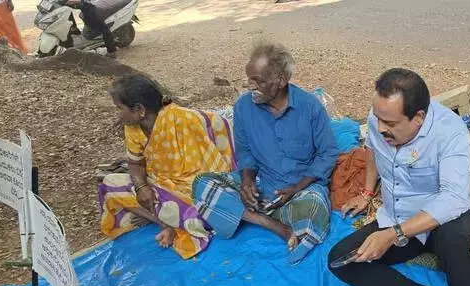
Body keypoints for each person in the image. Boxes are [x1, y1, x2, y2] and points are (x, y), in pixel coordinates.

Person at [331, 68, 470, 286]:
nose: (380, 127)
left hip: (445, 219)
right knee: (341, 260)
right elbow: (372, 150)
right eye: (377, 118)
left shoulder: (450, 131)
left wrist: (393, 235)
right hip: (398, 217)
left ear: (418, 117)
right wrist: (368, 192)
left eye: (390, 123)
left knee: (457, 250)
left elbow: (454, 197)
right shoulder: (378, 121)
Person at [192, 41, 339, 265]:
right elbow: (245, 151)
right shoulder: (242, 107)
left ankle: (245, 214)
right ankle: (274, 225)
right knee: (202, 183)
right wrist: (247, 181)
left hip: (299, 189)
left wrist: (297, 187)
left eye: (257, 80)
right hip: (262, 184)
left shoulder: (310, 107)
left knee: (315, 206)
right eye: (249, 78)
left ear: (280, 81)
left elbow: (327, 154)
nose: (250, 85)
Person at [98, 74, 235, 259]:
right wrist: (141, 186)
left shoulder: (184, 120)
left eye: (119, 108)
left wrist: (162, 191)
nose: (118, 114)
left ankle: (173, 222)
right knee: (109, 185)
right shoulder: (132, 127)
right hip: (160, 186)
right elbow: (135, 162)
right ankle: (166, 223)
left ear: (139, 109)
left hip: (192, 189)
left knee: (196, 209)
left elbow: (203, 175)